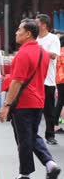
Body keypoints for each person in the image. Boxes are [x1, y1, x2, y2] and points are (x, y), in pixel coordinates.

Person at [0, 19, 61, 179]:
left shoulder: (23, 54)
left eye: (19, 30)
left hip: (23, 102)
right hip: (38, 100)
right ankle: (49, 164)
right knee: (31, 135)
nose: (16, 32)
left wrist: (6, 104)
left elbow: (17, 81)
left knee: (25, 138)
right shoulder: (43, 54)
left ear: (28, 34)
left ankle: (26, 173)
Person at [36, 14, 61, 145]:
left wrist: (37, 51)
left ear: (44, 25)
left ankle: (50, 135)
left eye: (37, 22)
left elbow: (53, 55)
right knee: (34, 109)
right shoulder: (34, 38)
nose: (35, 25)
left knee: (48, 110)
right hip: (34, 80)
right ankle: (33, 134)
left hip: (48, 80)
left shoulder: (52, 39)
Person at [54, 36, 64, 133]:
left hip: (58, 79)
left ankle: (55, 124)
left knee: (60, 101)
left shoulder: (58, 53)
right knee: (60, 102)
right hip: (63, 79)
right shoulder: (63, 53)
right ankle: (55, 124)